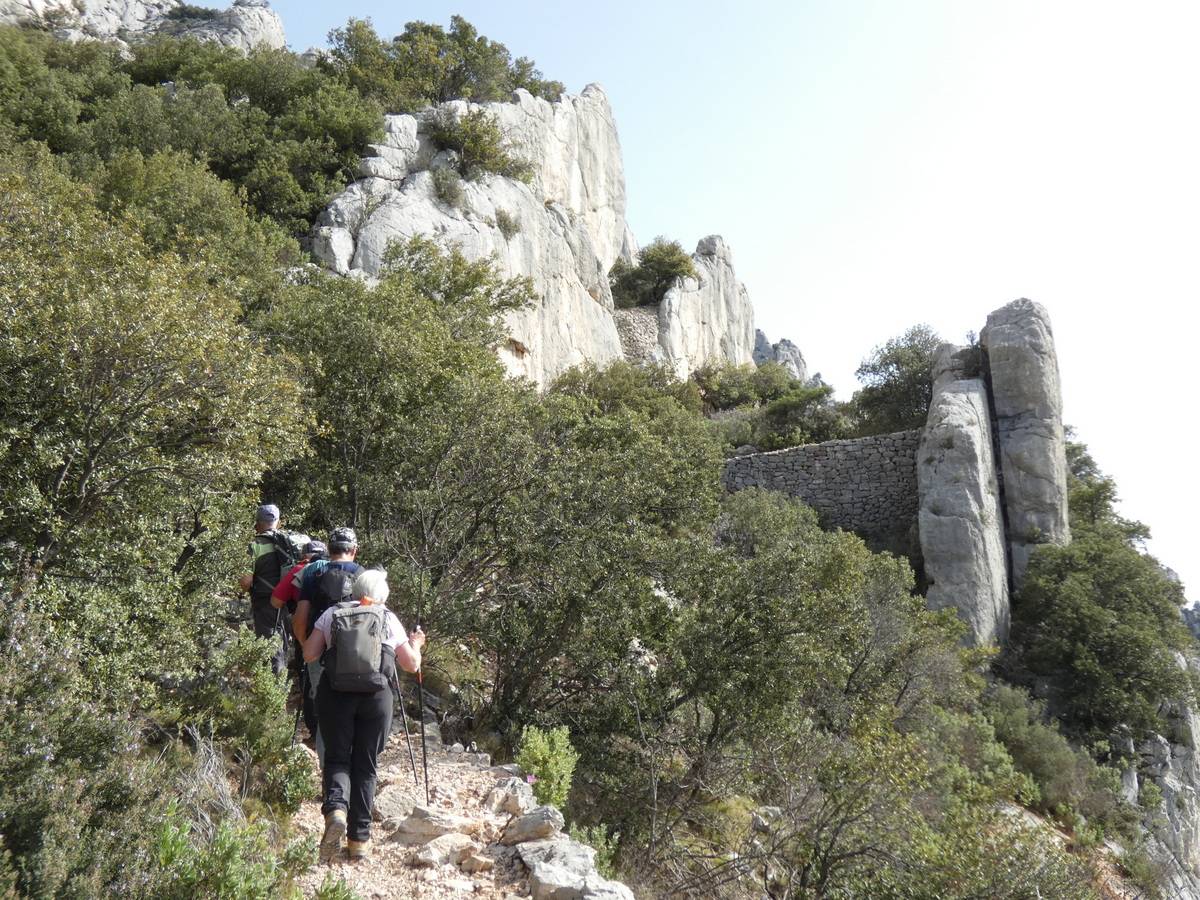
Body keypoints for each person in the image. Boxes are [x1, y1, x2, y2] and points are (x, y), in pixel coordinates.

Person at [303, 568, 425, 861]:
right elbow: (410, 664)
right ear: (383, 595)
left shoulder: (333, 613)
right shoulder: (388, 617)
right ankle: (359, 841)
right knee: (366, 765)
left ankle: (335, 810)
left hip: (335, 696)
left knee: (336, 757)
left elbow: (309, 654)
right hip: (376, 698)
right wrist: (417, 644)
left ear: (355, 590)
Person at [236, 504, 294, 676]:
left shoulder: (254, 545)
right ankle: (283, 681)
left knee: (269, 642)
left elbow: (246, 581)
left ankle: (274, 686)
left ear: (258, 523)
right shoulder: (289, 541)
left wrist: (245, 589)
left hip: (265, 601)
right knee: (283, 637)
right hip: (289, 600)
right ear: (278, 521)